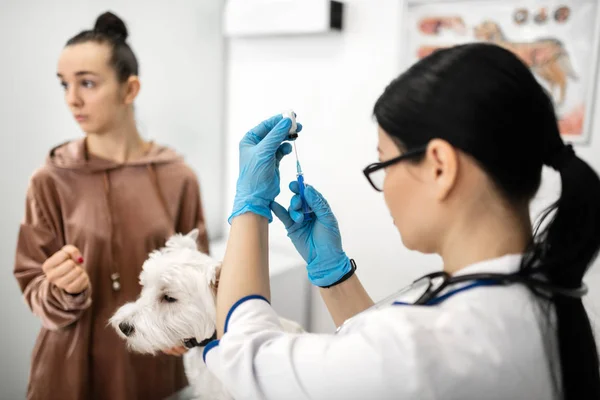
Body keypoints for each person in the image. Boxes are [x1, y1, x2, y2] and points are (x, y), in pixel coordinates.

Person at [203, 43, 600, 399]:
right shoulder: (549, 295)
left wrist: (250, 207)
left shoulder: (430, 349)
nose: (385, 185)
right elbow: (376, 351)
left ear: (440, 167)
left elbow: (244, 355)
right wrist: (333, 275)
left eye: (384, 163)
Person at [13, 11, 209, 400]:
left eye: (87, 83)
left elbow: (199, 283)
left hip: (156, 372)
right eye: (64, 84)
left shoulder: (178, 177)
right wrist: (61, 289)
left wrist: (187, 333)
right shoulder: (50, 179)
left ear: (130, 89)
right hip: (72, 374)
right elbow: (33, 283)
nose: (72, 98)